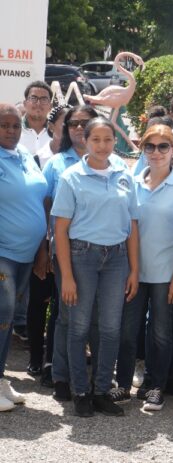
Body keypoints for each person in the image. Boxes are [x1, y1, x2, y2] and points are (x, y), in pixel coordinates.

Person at [51, 117, 139, 417]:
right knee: (78, 327)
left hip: (116, 259)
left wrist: (134, 270)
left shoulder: (123, 173)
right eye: (96, 140)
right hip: (82, 257)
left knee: (111, 328)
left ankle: (101, 391)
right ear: (85, 142)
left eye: (108, 139)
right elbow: (60, 230)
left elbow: (133, 225)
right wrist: (67, 277)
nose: (103, 146)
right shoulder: (71, 177)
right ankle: (80, 392)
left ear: (115, 142)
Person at [113, 125, 173, 411]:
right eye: (150, 146)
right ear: (142, 150)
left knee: (161, 333)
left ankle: (155, 386)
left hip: (167, 274)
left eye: (163, 146)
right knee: (127, 330)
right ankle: (122, 384)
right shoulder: (131, 184)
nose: (156, 152)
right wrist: (130, 269)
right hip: (134, 271)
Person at [0, 103, 48, 411]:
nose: (11, 131)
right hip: (3, 252)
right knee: (2, 317)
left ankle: (0, 378)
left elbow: (40, 201)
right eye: (4, 125)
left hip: (25, 254)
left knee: (6, 319)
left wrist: (42, 249)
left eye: (15, 125)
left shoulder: (26, 157)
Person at [26, 104, 70, 381]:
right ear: (53, 126)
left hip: (69, 247)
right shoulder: (39, 158)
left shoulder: (85, 157)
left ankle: (53, 360)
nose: (71, 129)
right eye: (66, 123)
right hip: (44, 241)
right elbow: (40, 204)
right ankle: (34, 357)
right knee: (39, 301)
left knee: (59, 305)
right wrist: (43, 247)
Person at [14, 81, 54, 341]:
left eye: (43, 99)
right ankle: (16, 320)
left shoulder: (56, 136)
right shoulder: (13, 131)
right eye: (33, 98)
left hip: (46, 211)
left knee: (38, 269)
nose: (38, 103)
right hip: (16, 210)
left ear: (50, 105)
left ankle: (28, 323)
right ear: (25, 102)